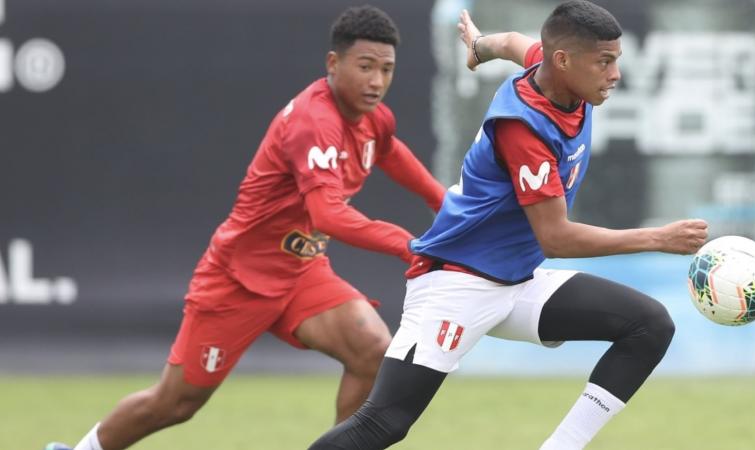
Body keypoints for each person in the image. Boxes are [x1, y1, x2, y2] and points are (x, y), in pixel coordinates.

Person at [308, 2, 708, 449]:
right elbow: (555, 238)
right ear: (564, 60)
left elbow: (514, 43)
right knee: (384, 423)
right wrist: (658, 238)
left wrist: (480, 46)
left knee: (649, 324)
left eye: (616, 60)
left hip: (514, 281)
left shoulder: (555, 71)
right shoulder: (524, 128)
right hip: (457, 283)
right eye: (604, 61)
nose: (615, 74)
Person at [44, 5, 445, 450]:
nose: (376, 81)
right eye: (365, 66)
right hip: (239, 279)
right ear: (333, 63)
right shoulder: (314, 122)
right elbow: (328, 215)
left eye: (386, 69)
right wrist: (409, 244)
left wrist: (444, 203)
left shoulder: (372, 118)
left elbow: (387, 150)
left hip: (302, 272)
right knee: (175, 403)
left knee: (371, 350)